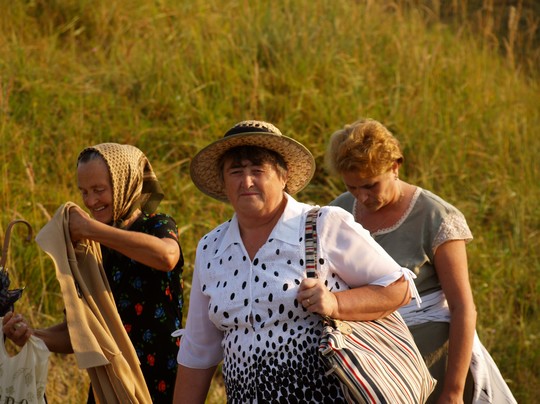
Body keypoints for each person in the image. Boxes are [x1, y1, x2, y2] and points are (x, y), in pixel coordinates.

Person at [173, 120, 420, 403]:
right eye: (236, 172)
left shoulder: (323, 224)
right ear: (223, 182)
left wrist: (336, 303)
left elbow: (399, 287)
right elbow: (198, 349)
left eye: (258, 171)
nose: (247, 181)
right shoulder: (211, 247)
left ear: (283, 176)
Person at [325, 118, 516, 403]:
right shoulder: (338, 212)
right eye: (352, 188)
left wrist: (453, 391)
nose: (362, 197)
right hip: (363, 355)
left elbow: (463, 308)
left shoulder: (436, 217)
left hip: (428, 357)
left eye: (371, 185)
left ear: (395, 167)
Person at [2, 143, 184, 403]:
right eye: (84, 192)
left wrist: (89, 229)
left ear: (125, 183)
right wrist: (31, 335)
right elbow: (80, 332)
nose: (89, 201)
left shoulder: (156, 225)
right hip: (111, 385)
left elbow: (166, 257)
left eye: (99, 190)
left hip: (160, 379)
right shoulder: (91, 251)